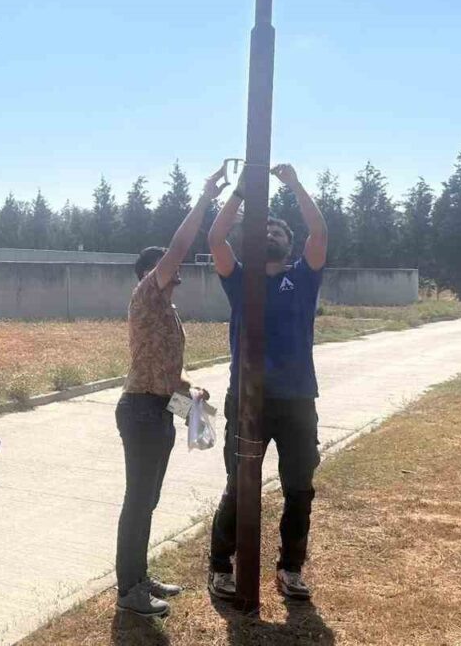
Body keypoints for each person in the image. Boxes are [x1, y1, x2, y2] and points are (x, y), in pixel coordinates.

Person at [205, 163, 328, 602]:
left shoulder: (303, 278)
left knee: (300, 487)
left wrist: (294, 184)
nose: (272, 231)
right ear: (253, 240)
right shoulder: (241, 280)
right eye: (266, 228)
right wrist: (239, 194)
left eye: (279, 229)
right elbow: (215, 239)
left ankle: (290, 569)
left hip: (297, 401)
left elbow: (320, 233)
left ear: (289, 244)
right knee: (240, 485)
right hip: (248, 400)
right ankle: (221, 566)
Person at [114, 165, 227, 617]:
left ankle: (139, 577)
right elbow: (180, 246)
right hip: (141, 411)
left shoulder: (167, 312)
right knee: (138, 500)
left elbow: (163, 372)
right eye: (170, 271)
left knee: (149, 500)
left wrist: (191, 395)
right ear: (150, 272)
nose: (177, 276)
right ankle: (129, 591)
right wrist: (205, 197)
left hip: (156, 407)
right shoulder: (146, 296)